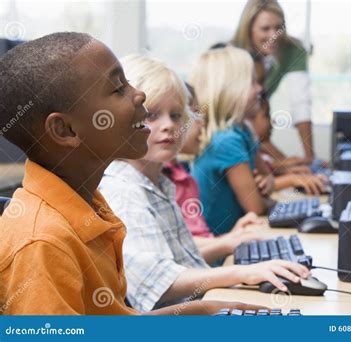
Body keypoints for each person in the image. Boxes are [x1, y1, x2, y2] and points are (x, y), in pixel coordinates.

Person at [0, 32, 259, 315]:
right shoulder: (44, 243)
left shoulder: (91, 204)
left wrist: (203, 311)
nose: (139, 94)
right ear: (65, 130)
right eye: (118, 88)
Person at [99, 55, 310, 312]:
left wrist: (232, 243)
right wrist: (240, 273)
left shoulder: (158, 183)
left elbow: (177, 256)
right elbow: (159, 280)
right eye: (152, 115)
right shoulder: (124, 191)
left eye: (176, 115)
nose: (168, 126)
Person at [164, 83, 267, 263]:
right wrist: (228, 243)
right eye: (193, 114)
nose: (201, 121)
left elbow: (187, 247)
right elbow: (174, 259)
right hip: (206, 273)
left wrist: (232, 237)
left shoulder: (181, 175)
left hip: (207, 267)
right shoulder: (226, 140)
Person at [189, 46, 275, 235]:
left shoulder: (240, 131)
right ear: (229, 90)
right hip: (220, 255)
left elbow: (265, 175)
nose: (260, 88)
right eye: (252, 82)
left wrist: (268, 181)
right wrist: (270, 201)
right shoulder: (226, 141)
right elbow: (256, 208)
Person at [233, 0, 316, 163]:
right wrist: (287, 165)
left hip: (255, 135)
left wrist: (309, 159)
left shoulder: (292, 50)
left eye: (279, 28)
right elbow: (248, 128)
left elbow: (301, 103)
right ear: (248, 29)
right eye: (265, 29)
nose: (274, 36)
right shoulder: (233, 56)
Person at [249, 98, 327, 195]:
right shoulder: (244, 149)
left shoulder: (257, 148)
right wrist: (292, 179)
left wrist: (292, 171)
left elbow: (272, 168)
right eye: (266, 116)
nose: (273, 122)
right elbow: (256, 186)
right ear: (248, 121)